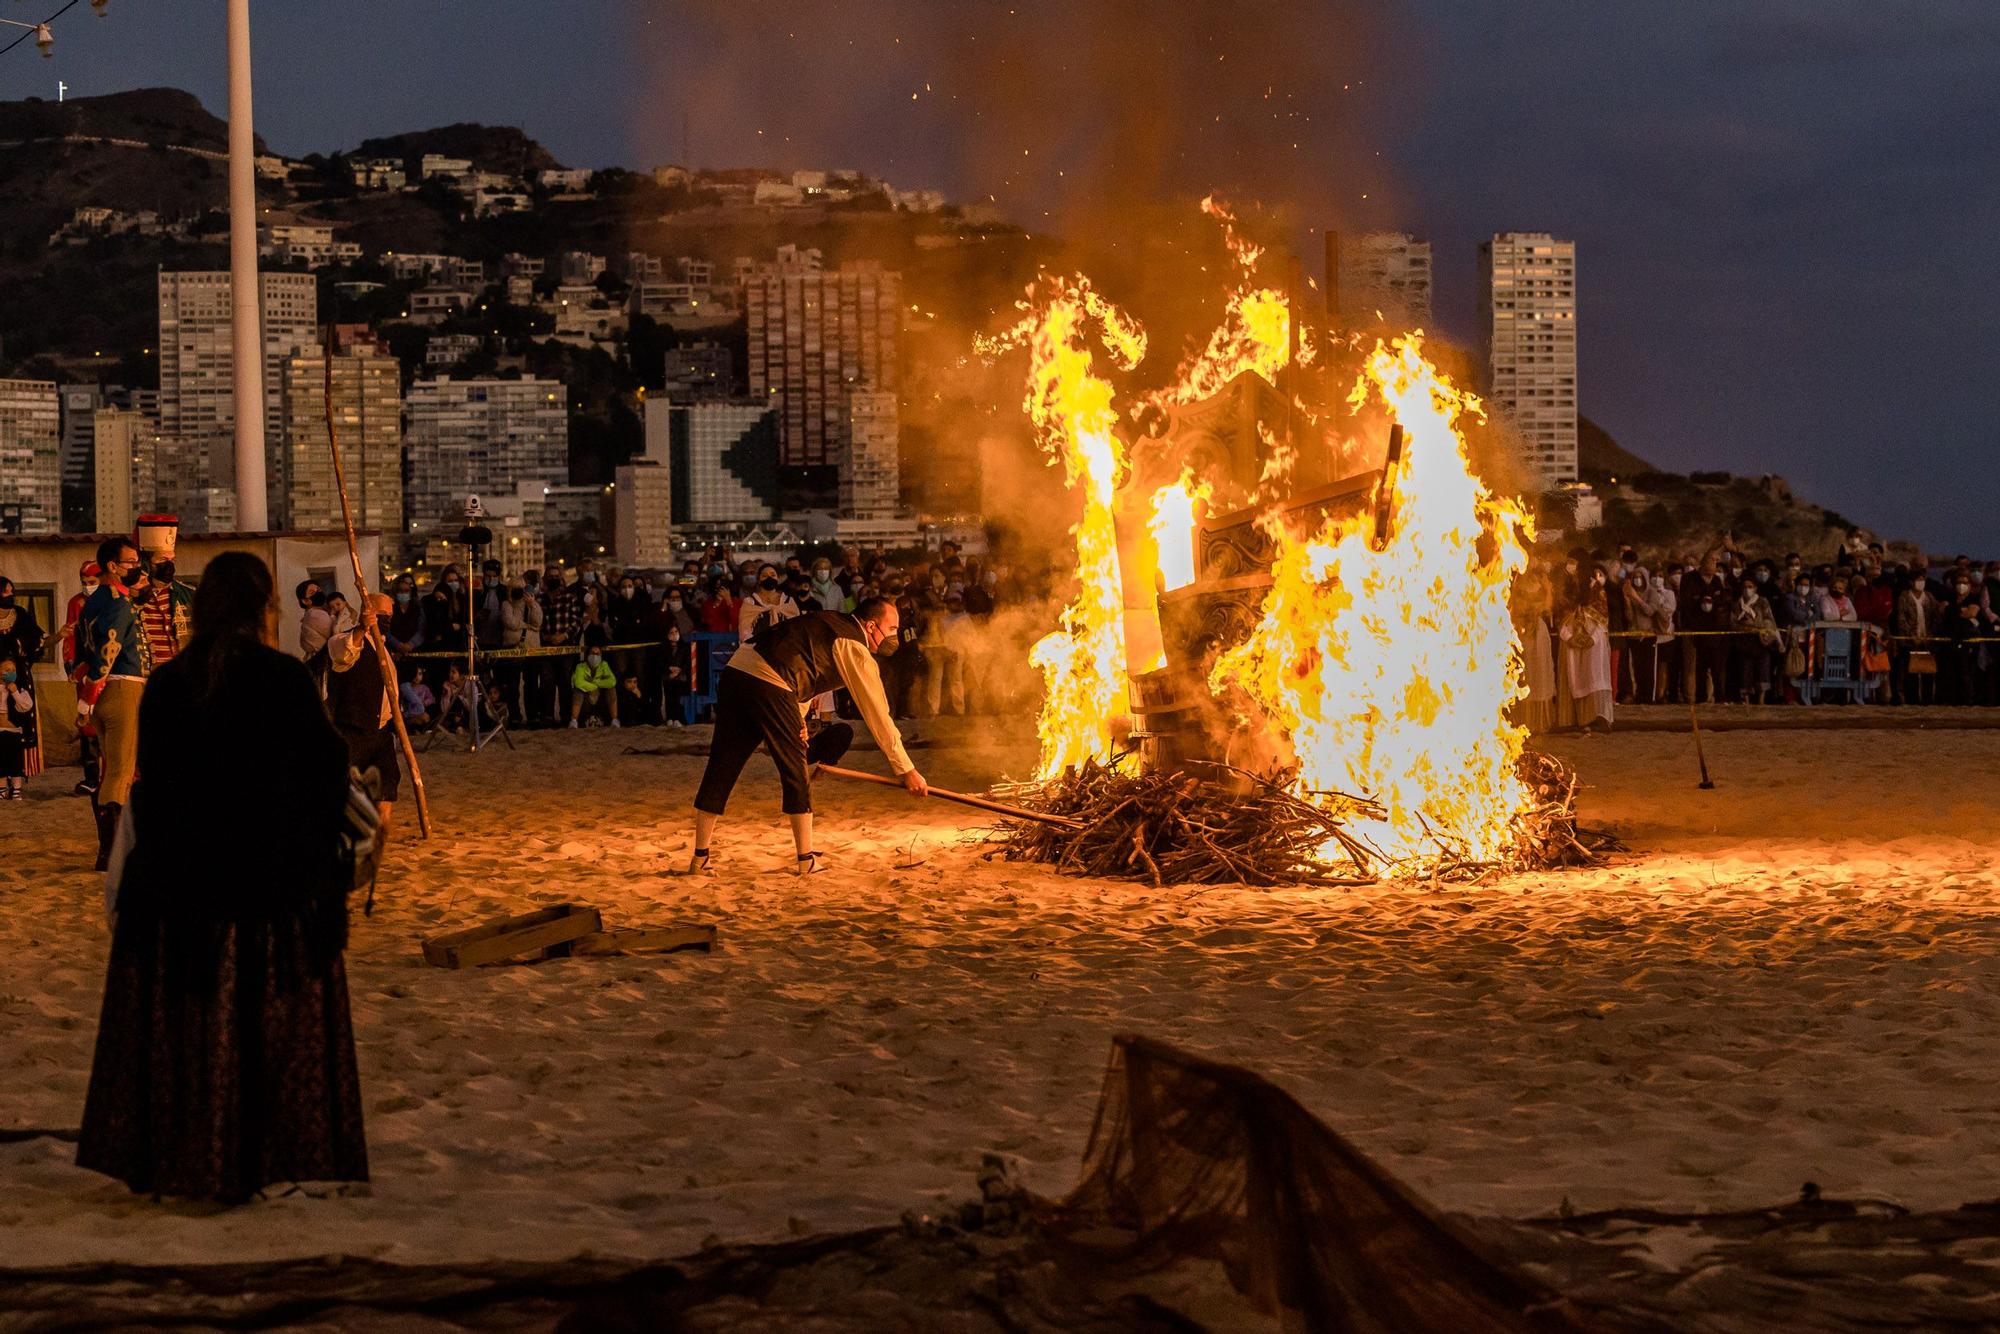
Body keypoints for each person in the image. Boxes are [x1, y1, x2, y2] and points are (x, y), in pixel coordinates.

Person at [76, 550, 367, 1203]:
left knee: (194, 1027)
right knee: (257, 1024)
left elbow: (156, 785)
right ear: (264, 609)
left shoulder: (173, 684)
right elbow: (326, 772)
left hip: (177, 885)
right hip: (261, 883)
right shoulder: (285, 678)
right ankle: (253, 1152)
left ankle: (191, 1151)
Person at [689, 599, 927, 876]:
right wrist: (906, 769)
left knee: (723, 764)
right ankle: (806, 860)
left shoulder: (830, 621)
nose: (895, 636)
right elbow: (878, 714)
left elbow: (802, 666)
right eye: (892, 628)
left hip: (737, 671)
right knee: (795, 769)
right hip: (770, 681)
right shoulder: (853, 644)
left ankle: (700, 858)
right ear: (871, 625)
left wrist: (798, 716)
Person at [76, 538, 151, 870]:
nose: (136, 566)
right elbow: (107, 653)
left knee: (111, 770)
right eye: (130, 561)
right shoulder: (118, 603)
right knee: (121, 772)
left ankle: (110, 850)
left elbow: (85, 652)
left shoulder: (91, 603)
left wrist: (88, 699)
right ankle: (113, 852)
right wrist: (88, 695)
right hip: (122, 688)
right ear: (112, 565)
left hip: (105, 694)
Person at [326, 593, 403, 854]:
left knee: (387, 787)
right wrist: (361, 627)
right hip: (352, 729)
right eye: (382, 616)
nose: (387, 621)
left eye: (390, 616)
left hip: (381, 733)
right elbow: (345, 654)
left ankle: (377, 844)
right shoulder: (343, 640)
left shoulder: (384, 647)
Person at [0, 576, 45, 785]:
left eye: (11, 591)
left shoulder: (21, 616)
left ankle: (16, 778)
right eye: (5, 592)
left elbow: (36, 640)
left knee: (19, 721)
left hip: (18, 678)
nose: (10, 595)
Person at [1560, 567, 1614, 732]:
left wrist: (1593, 638)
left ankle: (1598, 716)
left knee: (1595, 676)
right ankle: (1581, 719)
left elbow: (1603, 620)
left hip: (1595, 642)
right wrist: (1569, 636)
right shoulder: (1569, 592)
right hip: (1572, 641)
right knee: (1577, 676)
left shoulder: (1599, 594)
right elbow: (1562, 618)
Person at [0, 656, 33, 799]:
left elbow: (26, 706)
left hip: (14, 732)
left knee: (15, 761)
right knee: (0, 760)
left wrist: (14, 693)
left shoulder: (19, 689)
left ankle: (16, 788)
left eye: (13, 670)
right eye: (7, 670)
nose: (11, 672)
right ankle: (1, 788)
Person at [738, 565, 798, 638]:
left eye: (773, 575)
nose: (769, 578)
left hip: (786, 646)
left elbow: (796, 628)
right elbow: (744, 631)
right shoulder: (750, 602)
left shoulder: (789, 602)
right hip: (758, 647)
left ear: (778, 578)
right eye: (764, 576)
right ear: (759, 580)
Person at [570, 647, 619, 727]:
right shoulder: (580, 666)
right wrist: (594, 687)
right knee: (578, 690)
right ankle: (573, 721)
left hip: (600, 699)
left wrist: (595, 683)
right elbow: (578, 682)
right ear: (587, 655)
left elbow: (612, 681)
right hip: (586, 700)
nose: (594, 656)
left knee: (611, 689)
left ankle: (615, 720)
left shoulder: (604, 665)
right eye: (592, 653)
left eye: (597, 654)